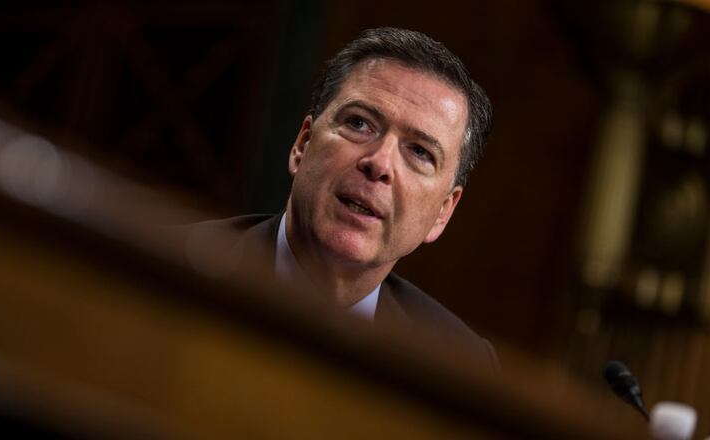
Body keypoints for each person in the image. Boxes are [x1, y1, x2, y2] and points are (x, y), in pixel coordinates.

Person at [186, 27, 497, 369]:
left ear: (443, 212)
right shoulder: (174, 266)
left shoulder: (460, 363)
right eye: (360, 123)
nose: (379, 163)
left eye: (420, 152)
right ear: (302, 145)